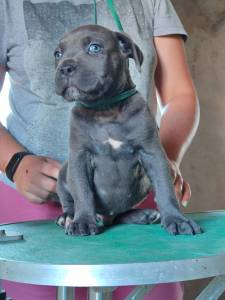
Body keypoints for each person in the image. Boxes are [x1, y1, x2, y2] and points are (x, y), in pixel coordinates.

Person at [0, 0, 199, 299]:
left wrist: (163, 160)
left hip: (134, 196)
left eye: (93, 49)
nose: (67, 63)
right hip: (33, 201)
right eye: (59, 56)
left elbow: (180, 95)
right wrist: (14, 163)